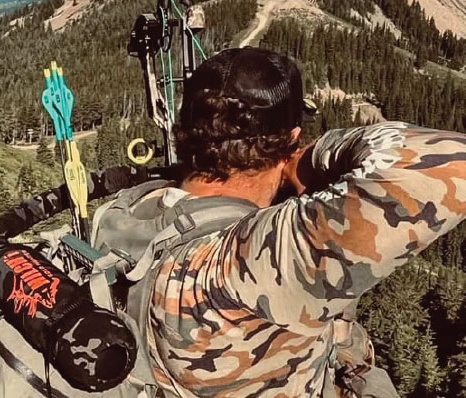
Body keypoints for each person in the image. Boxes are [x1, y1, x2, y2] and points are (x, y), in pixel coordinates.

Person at [148, 46, 462, 396]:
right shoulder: (242, 263)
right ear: (293, 140)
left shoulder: (137, 210)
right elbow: (451, 160)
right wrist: (315, 157)